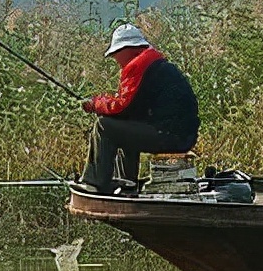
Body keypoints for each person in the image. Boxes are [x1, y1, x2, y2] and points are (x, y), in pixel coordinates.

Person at [71, 24, 199, 195]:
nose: (116, 58)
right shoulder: (155, 64)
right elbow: (131, 109)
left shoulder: (139, 65)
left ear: (129, 49)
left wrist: (95, 104)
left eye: (117, 53)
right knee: (125, 124)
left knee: (104, 126)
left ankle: (94, 182)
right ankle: (127, 183)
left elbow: (121, 107)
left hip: (169, 135)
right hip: (181, 135)